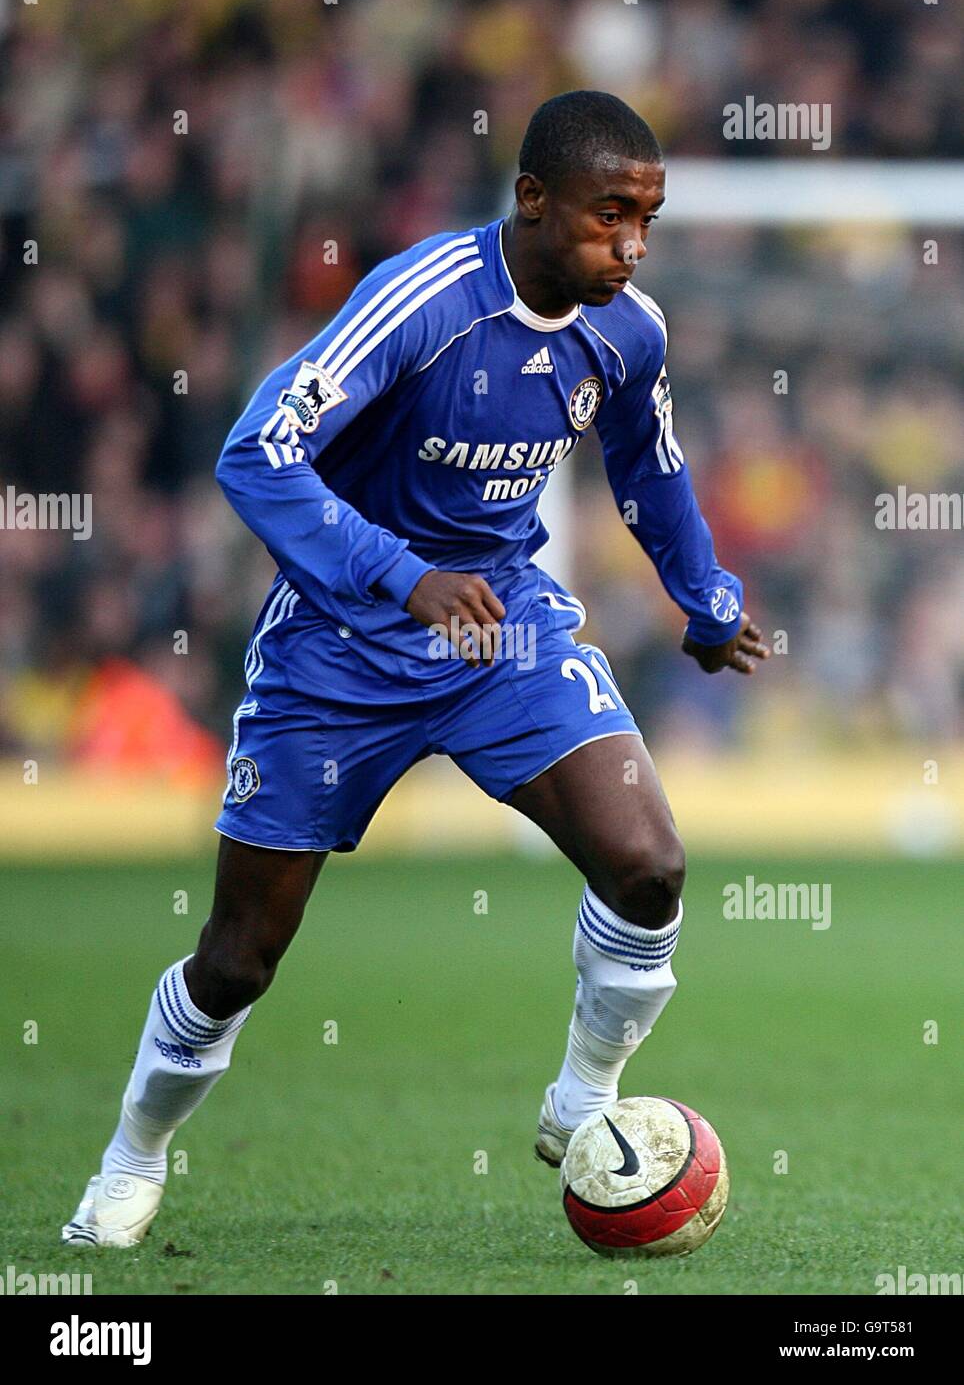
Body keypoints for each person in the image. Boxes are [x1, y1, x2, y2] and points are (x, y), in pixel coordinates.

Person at [63, 90, 768, 1247]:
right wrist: (398, 575)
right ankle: (133, 1154)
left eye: (646, 219)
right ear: (532, 199)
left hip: (501, 633)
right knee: (240, 957)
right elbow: (257, 453)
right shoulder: (420, 299)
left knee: (648, 865)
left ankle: (582, 1099)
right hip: (337, 648)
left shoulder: (627, 329)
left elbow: (649, 468)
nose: (631, 246)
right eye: (609, 218)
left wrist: (704, 600)